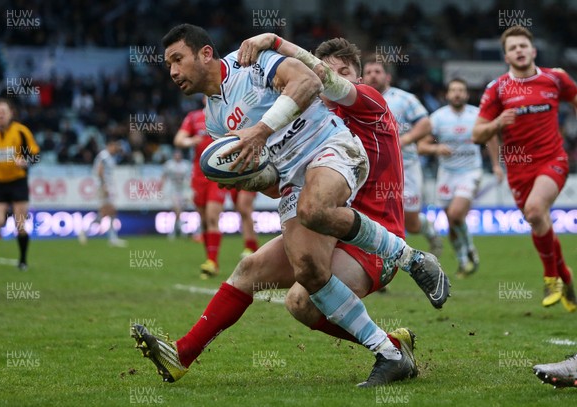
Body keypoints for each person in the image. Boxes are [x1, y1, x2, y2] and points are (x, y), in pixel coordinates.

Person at [132, 25, 448, 387]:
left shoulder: (263, 67)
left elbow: (312, 81)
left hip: (344, 182)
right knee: (280, 280)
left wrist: (264, 115)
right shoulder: (216, 119)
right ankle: (181, 355)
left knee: (314, 212)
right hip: (302, 190)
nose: (172, 71)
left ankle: (412, 259)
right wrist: (248, 177)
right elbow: (272, 185)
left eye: (177, 59)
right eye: (167, 64)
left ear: (205, 54)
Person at [472, 25, 577, 312]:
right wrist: (497, 124)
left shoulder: (556, 79)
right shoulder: (497, 89)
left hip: (553, 160)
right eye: (512, 48)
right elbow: (477, 134)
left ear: (533, 51)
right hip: (519, 169)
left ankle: (551, 278)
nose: (519, 51)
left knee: (534, 211)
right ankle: (567, 278)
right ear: (506, 56)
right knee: (538, 219)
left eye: (523, 46)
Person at [419, 78, 502, 277]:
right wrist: (436, 148)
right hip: (446, 174)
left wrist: (496, 165)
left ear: (466, 94)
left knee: (456, 214)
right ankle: (463, 260)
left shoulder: (477, 115)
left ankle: (470, 250)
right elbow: (421, 146)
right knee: (452, 221)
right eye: (453, 90)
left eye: (461, 90)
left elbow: (491, 137)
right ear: (447, 95)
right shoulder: (437, 118)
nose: (457, 94)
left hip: (470, 172)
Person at [363, 57, 443, 257]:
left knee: (411, 222)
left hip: (405, 167)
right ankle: (378, 265)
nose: (373, 75)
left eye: (377, 71)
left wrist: (405, 140)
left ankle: (429, 230)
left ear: (387, 76)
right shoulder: (358, 99)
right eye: (369, 72)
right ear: (362, 77)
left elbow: (426, 124)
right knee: (376, 219)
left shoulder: (404, 99)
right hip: (373, 170)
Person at [174, 105, 259, 278]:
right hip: (198, 175)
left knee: (215, 216)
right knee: (204, 220)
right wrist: (191, 141)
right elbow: (179, 139)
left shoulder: (228, 114)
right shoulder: (193, 117)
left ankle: (215, 261)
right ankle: (211, 259)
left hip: (219, 173)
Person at [0, 99, 40, 270]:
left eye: (3, 112)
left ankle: (23, 260)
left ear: (11, 113)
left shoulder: (21, 132)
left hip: (18, 183)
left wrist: (26, 161)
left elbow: (36, 155)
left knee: (20, 226)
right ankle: (9, 212)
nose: (0, 115)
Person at [78, 137, 127, 247]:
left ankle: (89, 232)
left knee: (107, 213)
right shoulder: (104, 156)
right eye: (115, 147)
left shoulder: (108, 157)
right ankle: (111, 238)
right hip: (103, 187)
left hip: (106, 186)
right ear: (109, 146)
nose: (116, 149)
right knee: (110, 211)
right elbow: (100, 171)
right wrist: (104, 185)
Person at [160, 149, 189, 240]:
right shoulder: (169, 165)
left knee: (179, 211)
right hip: (173, 190)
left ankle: (174, 230)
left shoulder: (186, 165)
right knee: (177, 209)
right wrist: (161, 188)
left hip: (182, 190)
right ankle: (178, 231)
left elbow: (189, 178)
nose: (177, 157)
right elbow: (164, 176)